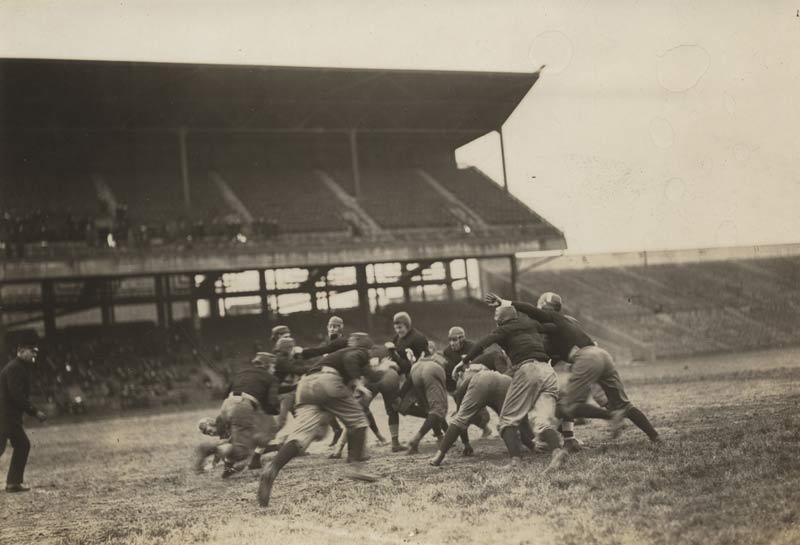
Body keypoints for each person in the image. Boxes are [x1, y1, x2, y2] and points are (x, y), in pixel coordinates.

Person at [486, 292, 660, 443]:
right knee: (623, 404)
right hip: (602, 355)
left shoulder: (551, 321)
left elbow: (536, 319)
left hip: (586, 359)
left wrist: (506, 303)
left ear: (544, 308)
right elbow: (553, 354)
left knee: (567, 406)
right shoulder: (567, 323)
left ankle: (610, 418)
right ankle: (655, 437)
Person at [257, 333, 383, 508]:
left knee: (300, 438)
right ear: (367, 348)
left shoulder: (337, 356)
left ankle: (273, 468)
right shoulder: (358, 351)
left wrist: (383, 368)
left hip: (305, 386)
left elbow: (373, 375)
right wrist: (358, 383)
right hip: (327, 380)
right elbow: (352, 360)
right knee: (359, 421)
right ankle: (355, 467)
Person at [458, 303, 567, 472]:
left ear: (500, 319)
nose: (494, 319)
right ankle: (557, 452)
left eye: (496, 315)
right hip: (548, 371)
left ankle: (515, 462)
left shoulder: (504, 329)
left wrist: (463, 361)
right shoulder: (530, 324)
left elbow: (482, 344)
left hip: (528, 369)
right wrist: (565, 323)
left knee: (507, 420)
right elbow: (553, 327)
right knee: (541, 420)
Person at [193, 352, 284, 478]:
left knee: (232, 440)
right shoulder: (271, 378)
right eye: (273, 366)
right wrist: (274, 410)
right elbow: (272, 402)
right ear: (267, 365)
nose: (274, 369)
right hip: (243, 406)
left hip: (227, 404)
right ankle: (208, 448)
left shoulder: (242, 372)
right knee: (242, 450)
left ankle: (228, 468)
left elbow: (225, 392)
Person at [430, 364, 537, 467]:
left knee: (460, 419)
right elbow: (522, 423)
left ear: (459, 376)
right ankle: (527, 450)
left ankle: (439, 455)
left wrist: (466, 443)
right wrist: (531, 444)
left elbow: (460, 419)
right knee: (512, 421)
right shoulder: (475, 370)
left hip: (483, 381)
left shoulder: (465, 380)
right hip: (505, 381)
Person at [0, 343, 48, 493]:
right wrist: (34, 412)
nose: (34, 354)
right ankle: (13, 483)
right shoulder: (15, 368)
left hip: (6, 415)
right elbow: (16, 395)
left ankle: (13, 483)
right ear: (20, 351)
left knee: (10, 446)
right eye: (32, 351)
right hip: (6, 416)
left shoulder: (17, 367)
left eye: (35, 352)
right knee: (22, 444)